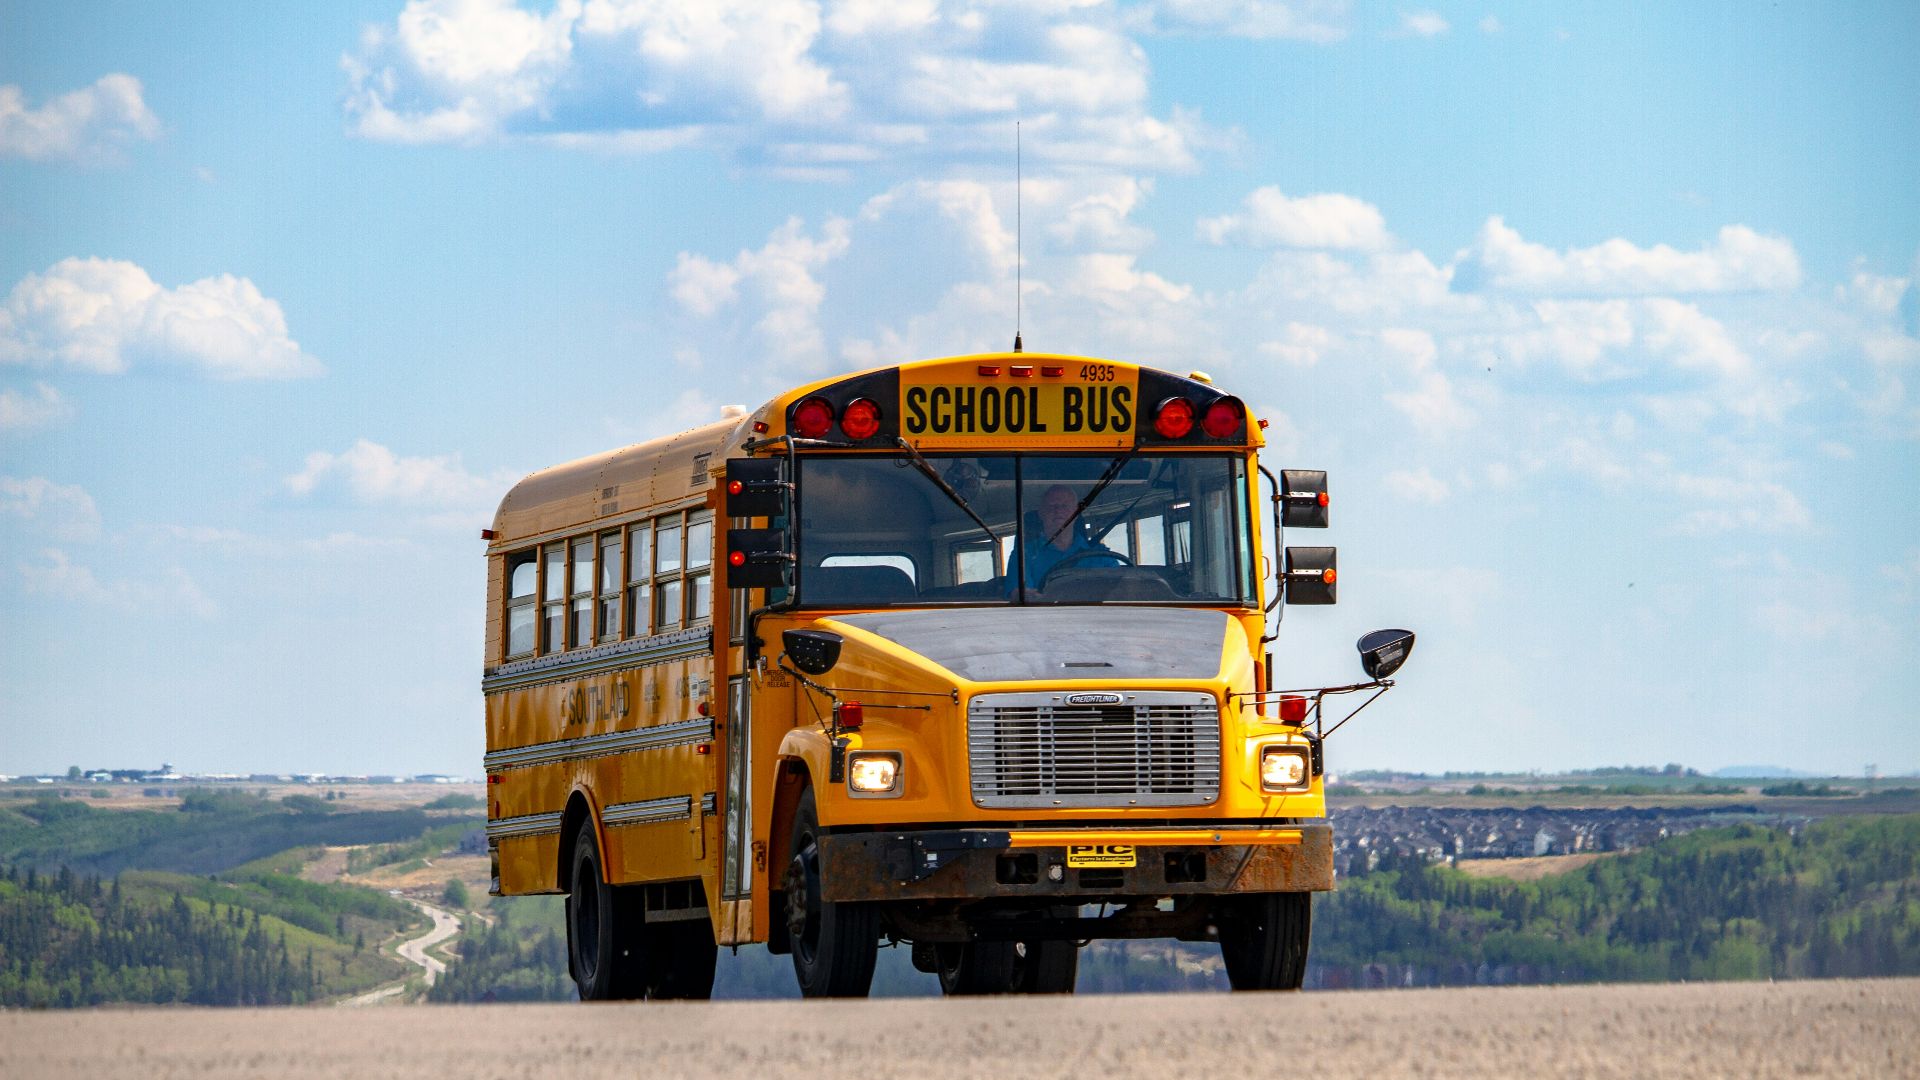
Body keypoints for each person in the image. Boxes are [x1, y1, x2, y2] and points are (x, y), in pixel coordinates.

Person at [1008, 484, 1118, 594]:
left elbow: (1120, 591)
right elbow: (1022, 598)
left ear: (1076, 513)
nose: (1058, 511)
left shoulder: (1102, 555)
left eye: (1065, 506)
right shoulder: (1022, 556)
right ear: (1041, 513)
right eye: (1052, 506)